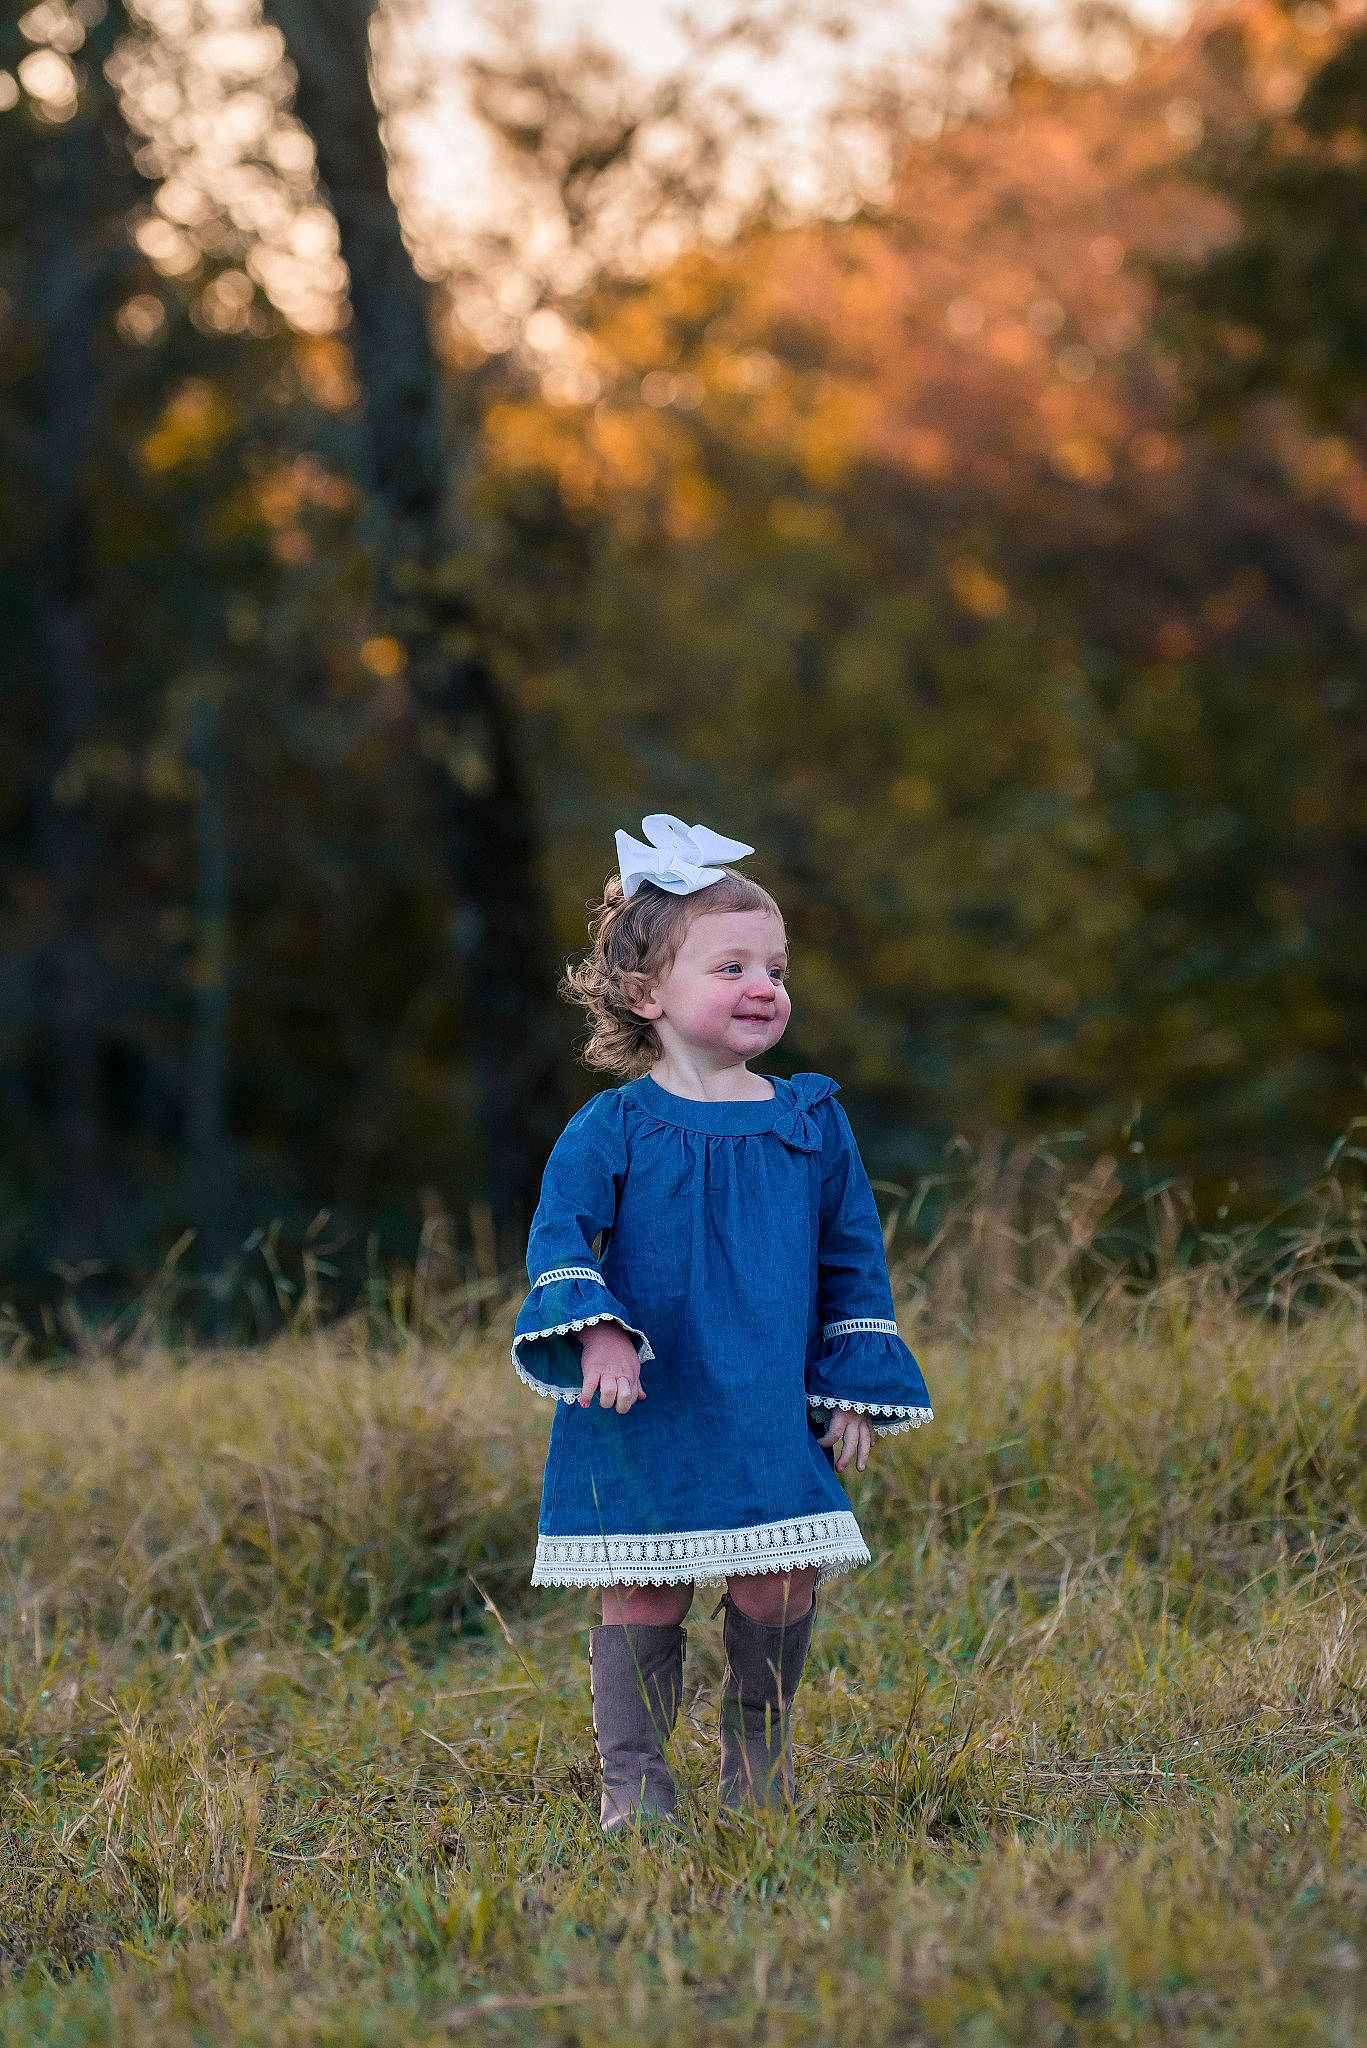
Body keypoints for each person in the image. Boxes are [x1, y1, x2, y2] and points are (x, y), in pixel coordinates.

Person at [511, 814, 933, 1830]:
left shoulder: (808, 1121)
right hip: (642, 1403)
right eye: (731, 964)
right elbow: (559, 1235)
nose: (764, 984)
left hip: (759, 1398)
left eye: (775, 965)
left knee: (778, 1578)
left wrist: (851, 1387)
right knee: (641, 1592)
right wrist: (596, 1330)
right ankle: (636, 1787)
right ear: (644, 993)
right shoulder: (608, 1126)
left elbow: (850, 1257)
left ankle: (757, 1765)